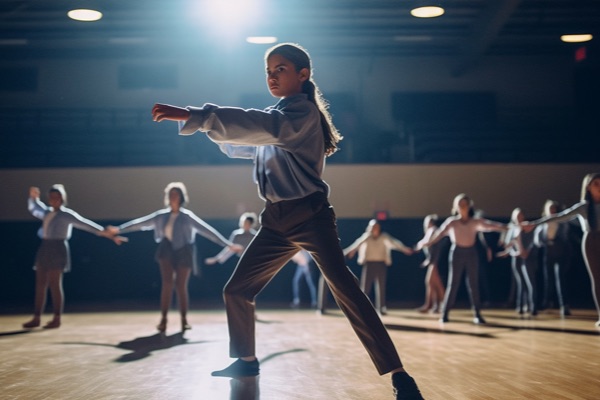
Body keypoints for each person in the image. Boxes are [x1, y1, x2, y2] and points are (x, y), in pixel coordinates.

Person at [151, 43, 423, 399]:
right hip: (276, 221)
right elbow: (242, 143)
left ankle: (399, 375)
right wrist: (203, 125)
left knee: (347, 292)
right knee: (237, 290)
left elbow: (263, 126)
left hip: (310, 215)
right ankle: (246, 359)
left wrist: (197, 114)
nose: (272, 76)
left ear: (303, 75)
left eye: (280, 69)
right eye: (268, 71)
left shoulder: (301, 113)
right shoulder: (276, 118)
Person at [107, 182, 237, 333]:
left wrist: (227, 244)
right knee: (167, 284)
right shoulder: (161, 215)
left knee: (181, 286)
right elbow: (140, 223)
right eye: (170, 194)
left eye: (176, 194)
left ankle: (184, 319)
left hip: (184, 251)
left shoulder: (187, 217)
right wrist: (119, 229)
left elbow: (207, 231)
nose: (172, 197)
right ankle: (163, 319)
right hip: (166, 250)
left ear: (181, 197)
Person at [23, 185, 123, 329]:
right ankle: (37, 317)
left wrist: (106, 233)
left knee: (55, 284)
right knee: (40, 284)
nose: (54, 200)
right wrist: (33, 198)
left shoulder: (66, 214)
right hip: (45, 247)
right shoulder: (46, 213)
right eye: (51, 197)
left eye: (57, 197)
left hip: (58, 248)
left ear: (62, 199)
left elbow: (85, 224)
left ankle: (57, 317)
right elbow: (34, 208)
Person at [415, 193, 507, 324]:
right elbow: (438, 234)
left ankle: (477, 314)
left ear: (470, 206)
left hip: (471, 253)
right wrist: (426, 243)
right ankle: (445, 314)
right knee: (453, 283)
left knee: (473, 284)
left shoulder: (475, 222)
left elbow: (491, 225)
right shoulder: (452, 222)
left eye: (465, 204)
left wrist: (508, 227)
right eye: (460, 204)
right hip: (457, 253)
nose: (463, 206)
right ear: (456, 207)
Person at [524, 173, 600, 327]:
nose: (599, 186)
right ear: (588, 187)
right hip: (590, 242)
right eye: (596, 183)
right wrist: (535, 223)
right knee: (597, 280)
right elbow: (558, 217)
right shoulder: (583, 207)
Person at [343, 219, 414, 315]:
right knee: (365, 287)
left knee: (381, 286)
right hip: (369, 264)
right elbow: (357, 244)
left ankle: (381, 308)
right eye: (372, 227)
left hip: (381, 264)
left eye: (376, 226)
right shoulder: (366, 237)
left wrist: (405, 249)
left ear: (379, 227)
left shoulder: (384, 237)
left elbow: (395, 243)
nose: (374, 228)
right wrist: (348, 251)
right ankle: (363, 307)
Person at [533, 200, 573, 316]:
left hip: (560, 252)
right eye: (550, 208)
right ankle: (547, 302)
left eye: (554, 208)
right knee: (548, 279)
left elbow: (565, 236)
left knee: (560, 279)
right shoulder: (543, 223)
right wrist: (545, 243)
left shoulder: (561, 222)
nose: (552, 210)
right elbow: (537, 240)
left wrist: (557, 241)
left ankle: (563, 305)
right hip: (548, 253)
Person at [497, 208, 538, 316]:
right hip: (516, 257)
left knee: (530, 282)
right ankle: (520, 306)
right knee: (520, 283)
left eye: (520, 215)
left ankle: (533, 307)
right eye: (516, 216)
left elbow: (531, 243)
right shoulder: (512, 229)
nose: (519, 218)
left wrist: (525, 250)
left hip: (527, 257)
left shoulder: (528, 227)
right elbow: (509, 244)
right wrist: (509, 252)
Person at [414, 214, 446, 314]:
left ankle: (433, 305)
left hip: (436, 262)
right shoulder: (432, 230)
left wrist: (418, 246)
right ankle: (437, 306)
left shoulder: (432, 229)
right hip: (433, 261)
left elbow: (427, 242)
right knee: (434, 283)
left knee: (431, 282)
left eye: (427, 222)